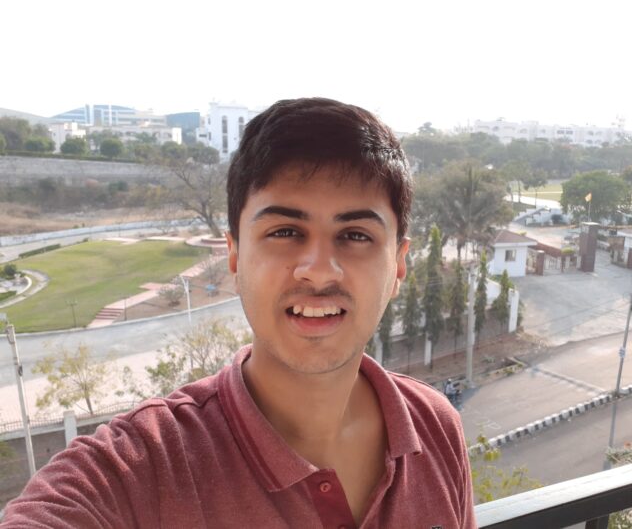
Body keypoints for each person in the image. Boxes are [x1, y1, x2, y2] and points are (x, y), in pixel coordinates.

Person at [2, 98, 476, 528]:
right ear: (234, 255)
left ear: (398, 265)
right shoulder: (145, 469)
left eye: (355, 235)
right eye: (285, 232)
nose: (318, 271)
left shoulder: (435, 425)